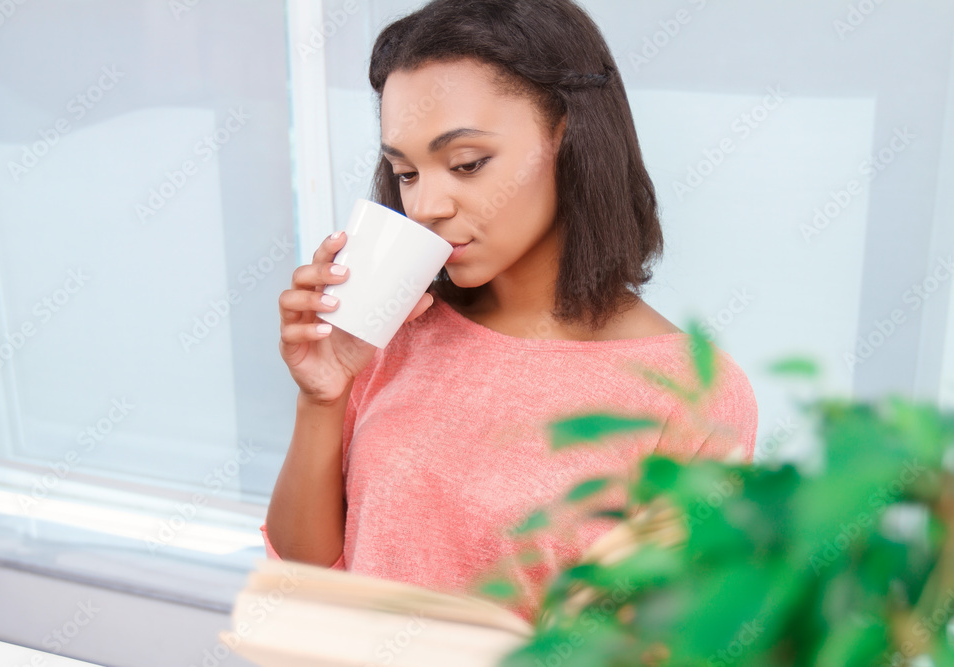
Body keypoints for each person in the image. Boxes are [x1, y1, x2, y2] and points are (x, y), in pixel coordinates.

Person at [261, 0, 758, 623]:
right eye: (406, 171)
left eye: (467, 164)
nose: (425, 205)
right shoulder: (392, 332)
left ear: (568, 134)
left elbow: (681, 641)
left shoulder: (688, 395)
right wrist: (322, 397)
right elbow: (307, 577)